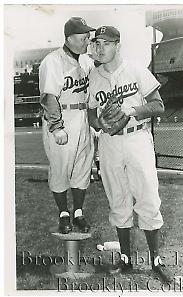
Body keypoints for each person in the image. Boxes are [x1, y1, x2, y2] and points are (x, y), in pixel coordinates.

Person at [87, 26, 173, 283]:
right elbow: (91, 113)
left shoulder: (135, 69)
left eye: (106, 43)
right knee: (118, 198)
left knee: (147, 196)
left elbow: (158, 106)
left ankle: (156, 261)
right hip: (110, 142)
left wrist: (131, 110)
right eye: (96, 43)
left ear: (118, 45)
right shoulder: (93, 75)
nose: (100, 48)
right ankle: (125, 260)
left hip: (137, 138)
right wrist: (99, 124)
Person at [39, 17, 95, 234]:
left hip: (83, 118)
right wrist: (56, 126)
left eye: (88, 38)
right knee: (60, 169)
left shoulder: (85, 60)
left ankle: (78, 213)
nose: (86, 42)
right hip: (63, 118)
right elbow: (49, 96)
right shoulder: (52, 61)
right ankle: (63, 214)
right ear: (69, 38)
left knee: (83, 167)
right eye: (83, 38)